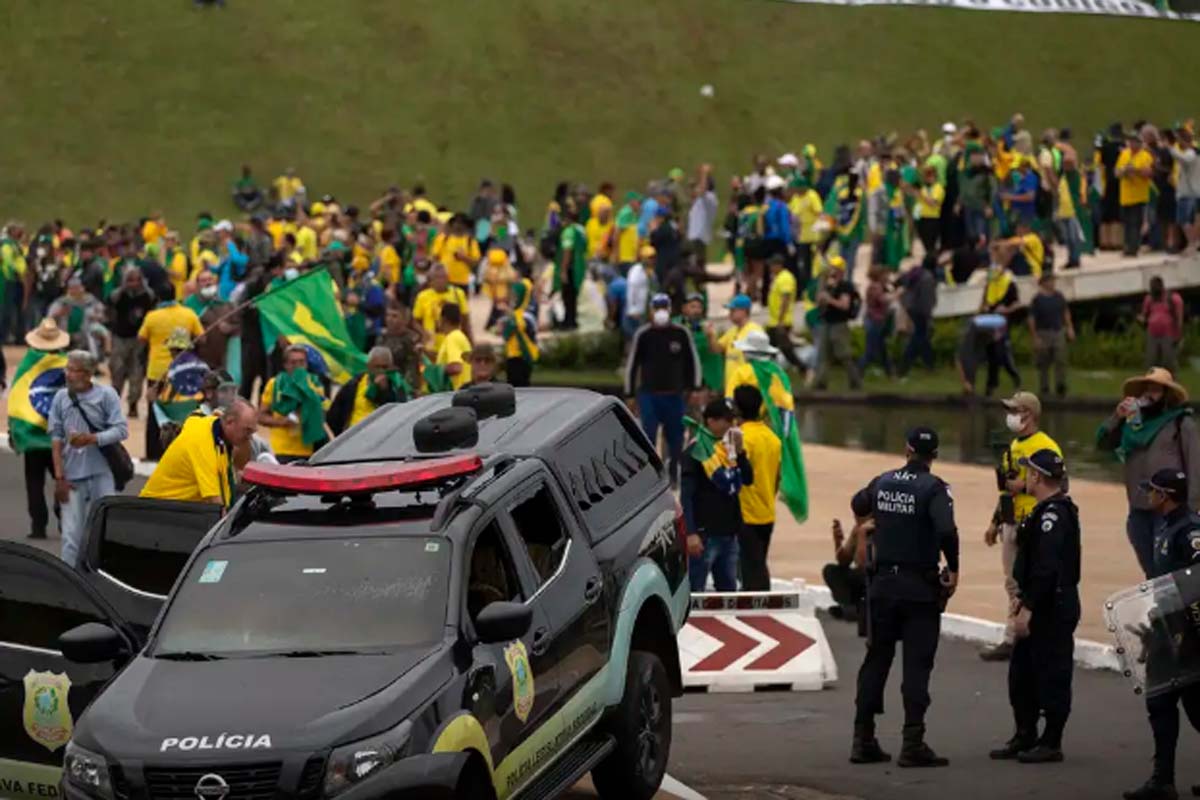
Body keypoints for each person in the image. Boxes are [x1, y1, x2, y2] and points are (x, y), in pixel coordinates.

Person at [851, 426, 958, 768]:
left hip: (882, 585)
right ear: (934, 456)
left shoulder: (882, 481)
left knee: (876, 661)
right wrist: (954, 567)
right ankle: (912, 742)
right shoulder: (935, 488)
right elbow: (946, 529)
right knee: (917, 665)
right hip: (918, 588)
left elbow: (858, 503)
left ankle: (863, 739)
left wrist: (871, 527)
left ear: (907, 449)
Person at [989, 449, 1080, 764]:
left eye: (1028, 472)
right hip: (1034, 599)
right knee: (1022, 674)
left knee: (1052, 673)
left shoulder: (1054, 516)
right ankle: (1024, 733)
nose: (1024, 477)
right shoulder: (1041, 511)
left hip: (1051, 606)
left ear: (1037, 476)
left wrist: (1027, 607)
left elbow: (1047, 568)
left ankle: (1051, 740)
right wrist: (1019, 597)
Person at [1122, 469, 1200, 800]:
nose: (1148, 495)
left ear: (1165, 495)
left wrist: (1187, 631)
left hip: (1187, 634)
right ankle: (1162, 779)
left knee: (1193, 706)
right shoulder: (1163, 524)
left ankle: (1162, 781)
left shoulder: (1190, 531)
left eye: (1152, 490)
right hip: (1166, 628)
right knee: (1160, 703)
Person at [980, 392, 1063, 661]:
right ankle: (1013, 635)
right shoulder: (1014, 446)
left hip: (1036, 521)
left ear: (1030, 413)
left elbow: (1061, 485)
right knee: (1013, 583)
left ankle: (1030, 635)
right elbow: (1007, 489)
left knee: (1034, 580)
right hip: (1011, 520)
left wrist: (1024, 486)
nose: (1011, 416)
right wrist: (995, 522)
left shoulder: (1046, 446)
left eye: (1015, 410)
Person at [1097, 368, 1200, 578]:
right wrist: (1117, 417)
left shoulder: (1181, 423)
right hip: (1139, 510)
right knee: (1151, 573)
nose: (1148, 395)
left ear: (1167, 395)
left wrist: (1192, 510)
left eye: (1155, 390)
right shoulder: (1132, 425)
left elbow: (1196, 467)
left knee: (1171, 573)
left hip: (1171, 512)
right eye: (1146, 389)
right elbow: (1103, 443)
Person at [48, 350, 128, 568]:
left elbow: (121, 430)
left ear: (88, 373)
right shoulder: (61, 398)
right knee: (71, 537)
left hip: (103, 474)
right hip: (71, 477)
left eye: (74, 370)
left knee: (102, 530)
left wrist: (92, 439)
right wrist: (59, 477)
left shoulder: (106, 395)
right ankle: (69, 580)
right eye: (67, 369)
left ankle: (99, 576)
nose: (68, 374)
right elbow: (56, 438)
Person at [624, 294, 700, 486]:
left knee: (676, 439)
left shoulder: (681, 333)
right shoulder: (643, 335)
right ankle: (651, 477)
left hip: (674, 396)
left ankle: (673, 472)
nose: (661, 312)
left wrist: (694, 388)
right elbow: (632, 365)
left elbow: (692, 362)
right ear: (651, 311)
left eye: (664, 308)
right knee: (647, 436)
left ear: (670, 309)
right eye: (657, 308)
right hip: (649, 396)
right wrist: (630, 393)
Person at [682, 399, 752, 593]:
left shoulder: (728, 450)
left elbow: (748, 479)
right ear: (711, 421)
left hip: (729, 532)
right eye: (727, 420)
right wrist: (690, 532)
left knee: (728, 592)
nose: (731, 425)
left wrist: (740, 453)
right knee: (695, 590)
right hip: (704, 534)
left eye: (733, 420)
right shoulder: (695, 451)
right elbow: (687, 495)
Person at [10, 319, 70, 541]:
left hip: (33, 436)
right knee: (63, 478)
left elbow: (17, 400)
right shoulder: (67, 363)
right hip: (60, 437)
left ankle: (38, 526)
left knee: (34, 482)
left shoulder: (27, 365)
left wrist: (15, 431)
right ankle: (65, 519)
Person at [140, 399, 259, 508]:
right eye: (247, 430)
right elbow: (216, 505)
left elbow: (241, 465)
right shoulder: (203, 443)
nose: (249, 437)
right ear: (229, 422)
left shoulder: (216, 428)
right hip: (155, 510)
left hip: (179, 509)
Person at [732, 384, 782, 591]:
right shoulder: (773, 439)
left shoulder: (739, 438)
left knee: (751, 572)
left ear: (737, 409)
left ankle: (760, 607)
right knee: (758, 564)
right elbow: (777, 478)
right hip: (767, 513)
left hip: (745, 514)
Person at [138, 284, 204, 415]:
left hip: (157, 370)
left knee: (155, 408)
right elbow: (202, 338)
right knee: (179, 406)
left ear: (158, 297)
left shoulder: (152, 316)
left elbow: (141, 338)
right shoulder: (189, 314)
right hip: (183, 368)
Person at [259, 344, 329, 464]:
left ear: (306, 364)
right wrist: (282, 422)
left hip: (307, 450)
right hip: (281, 449)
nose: (297, 366)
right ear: (286, 365)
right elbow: (261, 416)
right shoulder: (275, 384)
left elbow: (321, 413)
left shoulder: (314, 384)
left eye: (301, 362)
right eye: (293, 362)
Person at [327, 346, 408, 436]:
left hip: (380, 435)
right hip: (353, 435)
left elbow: (398, 413)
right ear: (369, 366)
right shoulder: (355, 384)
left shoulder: (396, 385)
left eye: (385, 367)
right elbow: (336, 413)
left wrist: (384, 390)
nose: (381, 371)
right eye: (377, 367)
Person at [812, 257, 863, 391]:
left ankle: (855, 380)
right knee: (824, 354)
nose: (831, 271)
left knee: (844, 354)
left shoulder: (845, 286)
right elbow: (819, 302)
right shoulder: (829, 285)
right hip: (826, 322)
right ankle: (821, 383)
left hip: (839, 324)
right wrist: (822, 287)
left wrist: (829, 300)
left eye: (834, 269)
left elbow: (844, 305)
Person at [825, 490, 872, 623]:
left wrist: (862, 536)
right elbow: (844, 561)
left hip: (876, 578)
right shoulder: (858, 528)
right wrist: (838, 541)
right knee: (831, 571)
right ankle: (849, 606)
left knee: (864, 575)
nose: (856, 519)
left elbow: (864, 564)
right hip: (860, 578)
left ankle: (859, 610)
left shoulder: (878, 529)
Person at [1028, 274, 1075, 398]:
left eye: (1053, 281)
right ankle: (1044, 387)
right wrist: (1035, 337)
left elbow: (1065, 312)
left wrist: (1069, 327)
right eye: (1050, 281)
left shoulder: (1059, 296)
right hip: (1043, 333)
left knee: (1060, 359)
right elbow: (1031, 319)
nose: (1053, 283)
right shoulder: (1037, 299)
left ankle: (1060, 385)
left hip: (1058, 331)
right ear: (1044, 283)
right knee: (1043, 362)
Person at [710, 293, 765, 397]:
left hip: (747, 390)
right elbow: (716, 349)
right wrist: (711, 335)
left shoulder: (755, 331)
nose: (729, 314)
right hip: (731, 389)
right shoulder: (732, 331)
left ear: (744, 311)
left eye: (733, 311)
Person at [980, 259, 1022, 395]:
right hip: (989, 322)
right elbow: (984, 301)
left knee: (1001, 352)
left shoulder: (1009, 284)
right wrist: (984, 307)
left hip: (1002, 322)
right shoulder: (989, 284)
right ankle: (991, 384)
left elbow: (1017, 303)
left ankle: (1012, 376)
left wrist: (1007, 309)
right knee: (991, 353)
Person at [412, 264, 469, 356]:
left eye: (442, 277)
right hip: (431, 346)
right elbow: (415, 321)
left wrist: (469, 340)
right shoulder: (423, 296)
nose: (440, 281)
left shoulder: (458, 294)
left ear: (448, 278)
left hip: (452, 344)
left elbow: (465, 319)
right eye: (436, 277)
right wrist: (424, 333)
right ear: (430, 281)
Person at [898, 256, 937, 376]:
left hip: (910, 306)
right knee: (919, 337)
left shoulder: (916, 273)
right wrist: (929, 316)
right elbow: (927, 299)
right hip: (920, 309)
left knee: (922, 337)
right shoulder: (928, 278)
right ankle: (905, 366)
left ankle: (929, 363)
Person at [1117, 134, 1155, 256]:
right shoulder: (1124, 154)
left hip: (1139, 195)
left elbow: (1149, 173)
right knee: (1127, 223)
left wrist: (1135, 170)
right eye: (1131, 141)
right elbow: (1117, 171)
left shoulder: (1146, 156)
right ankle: (1127, 246)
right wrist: (1123, 171)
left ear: (1140, 143)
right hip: (1125, 195)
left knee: (1135, 222)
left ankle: (1133, 248)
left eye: (1135, 142)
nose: (1132, 144)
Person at [764, 254, 803, 369]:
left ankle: (803, 368)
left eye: (772, 265)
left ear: (779, 265)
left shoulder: (785, 278)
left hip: (781, 321)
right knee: (770, 348)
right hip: (774, 321)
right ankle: (771, 370)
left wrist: (780, 320)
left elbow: (785, 299)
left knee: (786, 349)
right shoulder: (778, 277)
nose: (770, 268)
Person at [1139, 276, 1184, 374]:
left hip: (1168, 334)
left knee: (1168, 361)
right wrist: (1141, 319)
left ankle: (1170, 380)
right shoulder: (1149, 299)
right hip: (1152, 333)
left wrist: (1178, 334)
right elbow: (1144, 315)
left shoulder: (1172, 298)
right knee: (1151, 361)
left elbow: (1179, 317)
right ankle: (1152, 380)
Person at [1168, 127, 1200, 254]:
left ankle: (1192, 244)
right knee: (1188, 220)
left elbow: (1183, 158)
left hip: (1188, 192)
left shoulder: (1190, 154)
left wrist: (1171, 148)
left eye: (1179, 140)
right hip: (1190, 191)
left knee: (1183, 220)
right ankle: (1193, 243)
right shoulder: (1193, 153)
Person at [859, 267, 895, 378]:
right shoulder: (876, 287)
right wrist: (897, 294)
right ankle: (857, 372)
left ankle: (890, 373)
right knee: (871, 351)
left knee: (882, 349)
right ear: (879, 275)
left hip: (877, 320)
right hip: (874, 321)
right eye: (886, 274)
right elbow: (882, 300)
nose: (888, 277)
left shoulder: (878, 286)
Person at [686, 168, 719, 269]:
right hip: (699, 234)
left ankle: (700, 276)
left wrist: (704, 173)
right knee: (699, 260)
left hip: (698, 234)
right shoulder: (705, 198)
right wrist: (692, 187)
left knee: (697, 262)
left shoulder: (709, 197)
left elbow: (702, 190)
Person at [435, 303, 473, 391]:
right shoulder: (459, 336)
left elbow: (456, 367)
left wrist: (436, 370)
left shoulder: (452, 338)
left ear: (443, 319)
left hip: (456, 392)